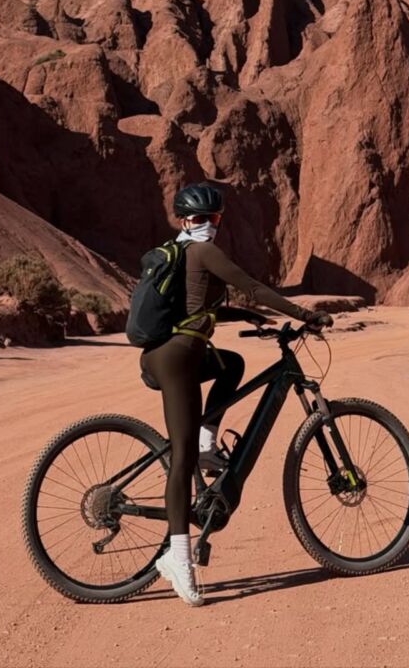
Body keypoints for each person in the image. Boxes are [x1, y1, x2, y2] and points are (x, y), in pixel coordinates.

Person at [143, 182, 331, 606]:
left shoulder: (187, 255)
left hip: (180, 354)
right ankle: (179, 562)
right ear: (183, 220)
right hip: (176, 360)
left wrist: (250, 317)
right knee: (182, 459)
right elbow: (254, 286)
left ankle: (208, 444)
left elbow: (202, 307)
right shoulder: (203, 252)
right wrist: (306, 315)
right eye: (199, 219)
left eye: (214, 218)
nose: (207, 225)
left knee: (234, 365)